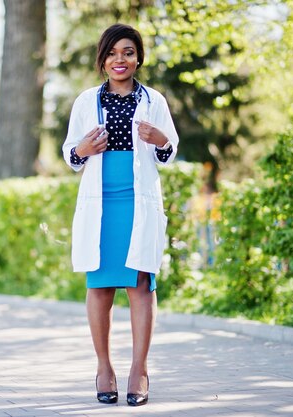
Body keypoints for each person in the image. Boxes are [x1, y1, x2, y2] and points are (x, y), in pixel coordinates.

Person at [62, 23, 179, 407]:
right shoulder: (85, 102)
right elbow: (71, 156)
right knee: (99, 286)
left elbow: (169, 149)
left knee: (141, 285)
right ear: (102, 59)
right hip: (101, 201)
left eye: (128, 52)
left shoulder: (154, 100)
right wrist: (82, 148)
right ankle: (103, 368)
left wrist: (161, 141)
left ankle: (139, 370)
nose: (120, 60)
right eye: (112, 53)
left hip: (138, 201)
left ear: (139, 58)